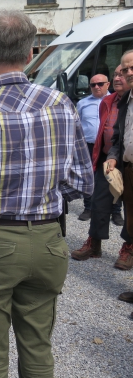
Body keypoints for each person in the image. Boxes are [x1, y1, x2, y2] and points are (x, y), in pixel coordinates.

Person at [0, 10, 93, 378]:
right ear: (30, 54)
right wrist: (42, 192)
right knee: (39, 348)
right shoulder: (61, 104)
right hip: (47, 240)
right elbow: (82, 182)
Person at [72, 65, 132, 265]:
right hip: (108, 157)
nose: (118, 78)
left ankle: (128, 248)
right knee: (98, 201)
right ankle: (94, 243)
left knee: (130, 207)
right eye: (115, 74)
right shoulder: (107, 101)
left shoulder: (129, 101)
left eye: (121, 74)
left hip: (129, 161)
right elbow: (110, 133)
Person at [106, 50, 133, 279]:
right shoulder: (125, 100)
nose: (128, 73)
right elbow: (118, 137)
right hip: (130, 171)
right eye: (125, 69)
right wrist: (114, 156)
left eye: (132, 68)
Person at [76, 74, 111, 221]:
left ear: (108, 85)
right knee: (87, 177)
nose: (96, 87)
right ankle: (88, 208)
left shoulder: (115, 101)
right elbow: (76, 125)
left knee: (112, 176)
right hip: (88, 146)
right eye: (93, 85)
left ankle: (115, 211)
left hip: (109, 146)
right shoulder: (82, 103)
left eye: (100, 84)